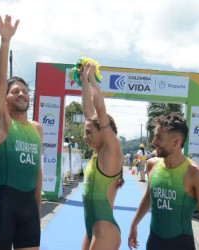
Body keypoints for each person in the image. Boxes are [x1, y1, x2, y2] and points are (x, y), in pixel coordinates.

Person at [0, 15, 43, 250]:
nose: (22, 94)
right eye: (15, 91)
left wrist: (37, 209)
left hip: (29, 209)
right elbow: (0, 80)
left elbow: (37, 172)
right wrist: (5, 41)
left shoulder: (36, 128)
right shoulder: (1, 123)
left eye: (25, 91)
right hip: (4, 208)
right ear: (6, 99)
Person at [128, 114, 199, 250]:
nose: (153, 142)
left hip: (181, 244)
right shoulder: (152, 165)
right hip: (154, 241)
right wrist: (134, 224)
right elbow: (149, 197)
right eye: (155, 136)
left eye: (159, 137)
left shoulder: (196, 174)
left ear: (176, 141)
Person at [77, 60, 122, 250]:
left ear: (104, 131)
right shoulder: (97, 153)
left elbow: (100, 112)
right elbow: (90, 113)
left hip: (105, 230)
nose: (84, 136)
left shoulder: (111, 151)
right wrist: (84, 82)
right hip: (92, 227)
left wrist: (93, 80)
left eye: (89, 133)